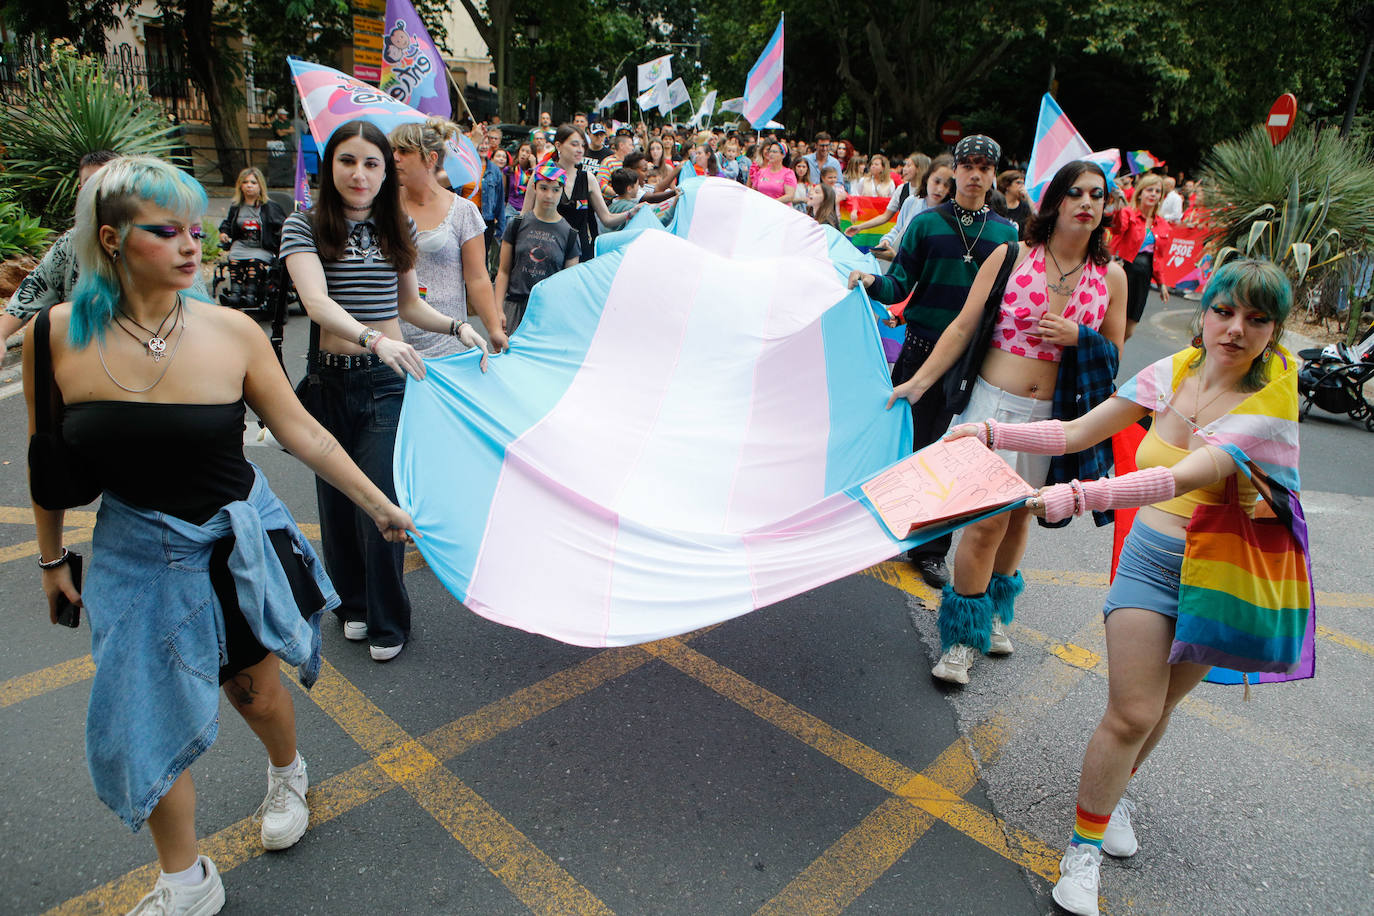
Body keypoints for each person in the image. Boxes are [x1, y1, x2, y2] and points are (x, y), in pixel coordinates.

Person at [31, 154, 419, 915]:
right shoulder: (57, 337)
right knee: (141, 711)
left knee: (253, 689)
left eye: (195, 232)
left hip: (232, 541)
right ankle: (184, 878)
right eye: (165, 231)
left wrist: (379, 505)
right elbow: (47, 462)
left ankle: (287, 770)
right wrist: (50, 560)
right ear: (110, 239)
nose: (189, 246)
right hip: (134, 550)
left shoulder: (234, 332)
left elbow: (302, 433)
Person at [943, 260, 1298, 915]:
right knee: (1134, 710)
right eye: (1224, 310)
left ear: (1275, 331)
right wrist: (992, 431)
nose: (1235, 329)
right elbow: (1078, 431)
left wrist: (1074, 495)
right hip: (1151, 562)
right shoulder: (1173, 374)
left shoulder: (1270, 401)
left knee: (1158, 709)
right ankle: (1083, 849)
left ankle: (1115, 794)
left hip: (1218, 576)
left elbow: (1181, 477)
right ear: (1204, 310)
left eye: (1256, 319)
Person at [886, 161, 1127, 683]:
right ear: (1057, 201)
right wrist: (918, 383)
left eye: (1098, 196)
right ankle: (961, 641)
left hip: (1053, 421)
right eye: (1077, 193)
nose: (1088, 203)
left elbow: (1113, 354)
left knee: (1020, 520)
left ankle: (995, 613)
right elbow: (964, 325)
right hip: (992, 411)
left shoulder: (1111, 276)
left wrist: (1078, 338)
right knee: (985, 522)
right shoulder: (1011, 255)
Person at [282, 119, 490, 664]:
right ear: (331, 166)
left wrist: (455, 326)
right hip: (329, 379)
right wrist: (373, 339)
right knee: (336, 499)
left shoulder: (397, 228)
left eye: (372, 163)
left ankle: (388, 618)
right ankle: (351, 604)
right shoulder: (303, 227)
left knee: (380, 499)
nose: (360, 173)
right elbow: (317, 305)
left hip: (384, 384)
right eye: (348, 161)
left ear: (384, 171)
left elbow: (409, 305)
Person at [846, 135, 1018, 588]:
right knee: (910, 444)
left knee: (953, 454)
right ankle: (892, 526)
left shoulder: (1007, 234)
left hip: (972, 362)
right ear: (955, 170)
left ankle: (931, 550)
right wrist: (869, 280)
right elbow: (900, 283)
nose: (975, 174)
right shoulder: (925, 224)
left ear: (993, 174)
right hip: (921, 349)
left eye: (985, 166)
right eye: (968, 165)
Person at [389, 119, 508, 359]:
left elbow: (477, 278)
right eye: (392, 150)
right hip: (393, 345)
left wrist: (494, 329)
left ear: (430, 159)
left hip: (448, 343)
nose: (395, 157)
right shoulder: (382, 207)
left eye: (404, 151)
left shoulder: (463, 211)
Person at [3, 150, 121, 341]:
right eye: (91, 184)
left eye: (108, 182)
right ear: (81, 190)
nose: (99, 191)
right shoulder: (71, 243)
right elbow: (38, 285)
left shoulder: (149, 239)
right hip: (83, 351)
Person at [521, 124, 640, 261]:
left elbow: (607, 219)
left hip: (580, 253)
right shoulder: (541, 175)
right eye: (574, 145)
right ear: (558, 145)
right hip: (547, 251)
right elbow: (524, 215)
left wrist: (632, 212)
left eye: (582, 146)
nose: (580, 150)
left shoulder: (588, 178)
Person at [496, 162, 584, 334]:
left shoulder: (570, 234)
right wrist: (498, 310)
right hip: (514, 307)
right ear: (535, 188)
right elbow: (503, 271)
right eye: (543, 188)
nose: (549, 195)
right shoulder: (516, 224)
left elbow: (568, 285)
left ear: (562, 192)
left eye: (555, 190)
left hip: (548, 313)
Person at [1110, 173, 1172, 340]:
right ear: (1140, 193)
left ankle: (1113, 355)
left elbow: (1159, 257)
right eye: (1149, 189)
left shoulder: (1163, 224)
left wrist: (1162, 283)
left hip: (1143, 277)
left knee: (1129, 330)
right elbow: (1116, 228)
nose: (1153, 194)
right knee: (1114, 325)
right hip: (1124, 272)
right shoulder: (1128, 213)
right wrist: (1117, 204)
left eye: (1157, 191)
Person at [217, 166, 287, 309]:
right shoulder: (236, 207)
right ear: (240, 186)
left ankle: (250, 295)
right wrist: (224, 233)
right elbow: (228, 223)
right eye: (245, 182)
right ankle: (235, 295)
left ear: (260, 186)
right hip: (241, 245)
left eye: (253, 183)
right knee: (234, 259)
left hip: (262, 247)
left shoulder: (270, 207)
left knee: (254, 261)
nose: (249, 185)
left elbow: (283, 226)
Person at [871, 154, 954, 262]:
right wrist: (887, 241)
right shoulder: (911, 202)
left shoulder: (951, 213)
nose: (939, 189)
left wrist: (896, 258)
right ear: (927, 178)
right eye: (936, 181)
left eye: (946, 185)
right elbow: (898, 229)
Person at [844, 153, 928, 239]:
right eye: (905, 165)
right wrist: (860, 227)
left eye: (909, 165)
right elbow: (885, 216)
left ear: (919, 168)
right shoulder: (901, 189)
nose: (904, 169)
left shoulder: (929, 193)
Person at [505, 142, 535, 226]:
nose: (524, 154)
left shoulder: (533, 172)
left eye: (527, 152)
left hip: (527, 210)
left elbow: (536, 188)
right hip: (511, 209)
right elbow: (504, 192)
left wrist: (534, 166)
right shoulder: (509, 170)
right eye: (522, 150)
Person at [997, 169, 1032, 235]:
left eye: (1023, 183)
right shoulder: (997, 203)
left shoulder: (1024, 207)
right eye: (1018, 183)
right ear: (1007, 186)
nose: (1022, 186)